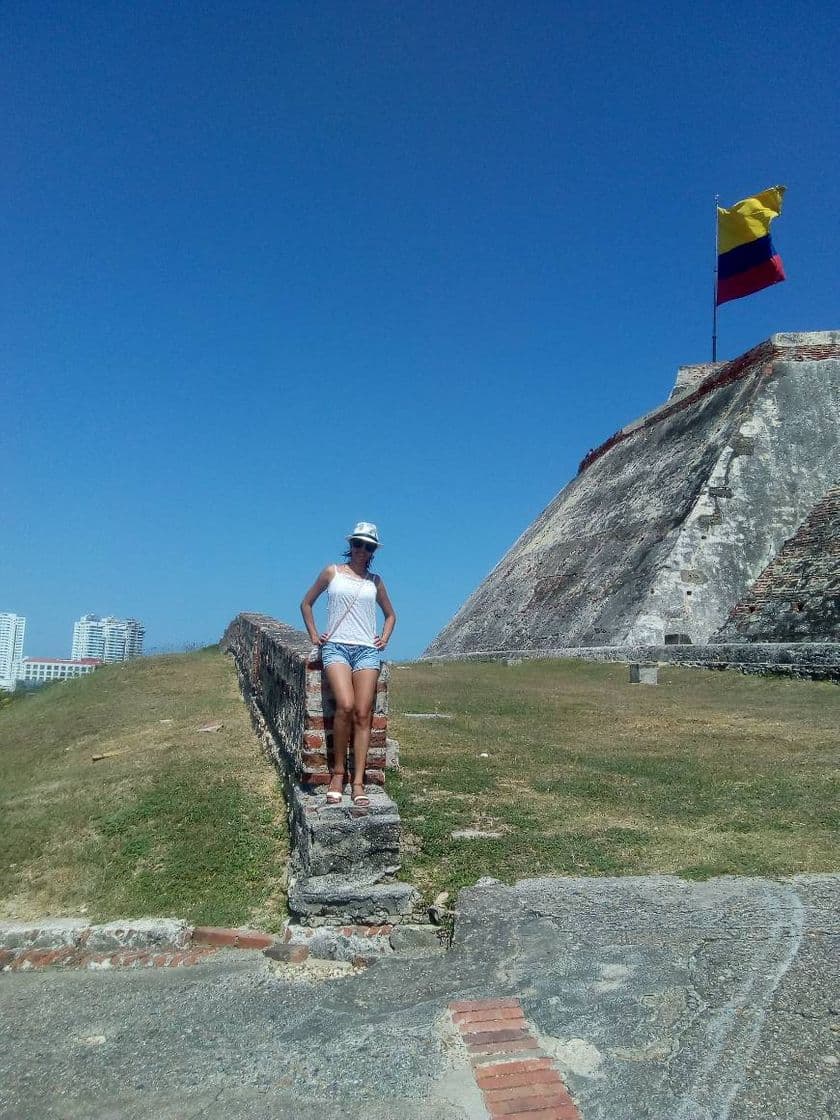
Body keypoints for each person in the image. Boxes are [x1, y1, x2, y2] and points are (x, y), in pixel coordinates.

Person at [300, 521, 396, 808]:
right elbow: (306, 603)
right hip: (337, 648)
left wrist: (385, 638)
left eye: (368, 546)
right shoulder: (333, 572)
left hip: (367, 651)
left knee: (364, 713)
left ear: (373, 551)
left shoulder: (375, 582)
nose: (362, 550)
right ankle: (338, 774)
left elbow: (391, 615)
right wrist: (315, 635)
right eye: (358, 544)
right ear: (350, 545)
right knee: (345, 705)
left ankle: (358, 782)